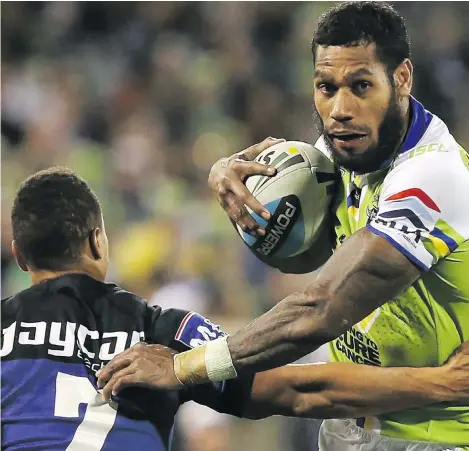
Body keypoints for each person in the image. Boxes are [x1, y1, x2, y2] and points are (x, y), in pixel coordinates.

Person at [97, 2, 469, 450]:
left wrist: (184, 368)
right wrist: (225, 177)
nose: (340, 110)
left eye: (360, 86)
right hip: (352, 422)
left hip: (437, 436)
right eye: (326, 88)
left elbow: (320, 309)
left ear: (402, 78)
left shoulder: (433, 177)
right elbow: (302, 256)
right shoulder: (341, 152)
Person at [3, 169, 469, 451]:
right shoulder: (160, 331)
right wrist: (441, 382)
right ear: (97, 241)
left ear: (20, 256)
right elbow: (302, 390)